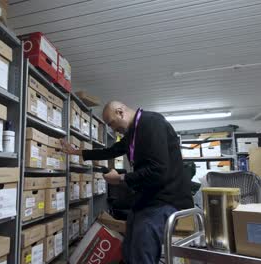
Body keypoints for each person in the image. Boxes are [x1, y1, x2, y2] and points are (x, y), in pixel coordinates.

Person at [60, 101, 193, 264]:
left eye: (112, 124)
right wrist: (76, 151)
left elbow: (158, 170)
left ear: (120, 112)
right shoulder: (133, 134)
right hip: (148, 199)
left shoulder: (151, 122)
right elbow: (110, 151)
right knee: (128, 247)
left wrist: (121, 178)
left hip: (166, 199)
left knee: (140, 251)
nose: (112, 129)